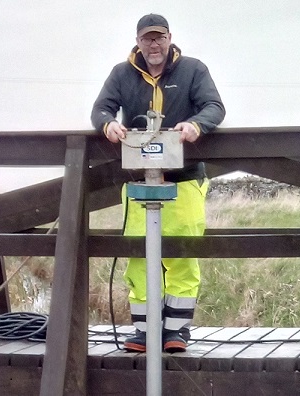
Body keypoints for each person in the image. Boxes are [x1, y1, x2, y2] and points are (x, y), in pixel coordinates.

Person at [91, 13, 225, 353]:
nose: (154, 44)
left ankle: (176, 331)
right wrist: (107, 125)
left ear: (169, 39)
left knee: (181, 253)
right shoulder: (122, 73)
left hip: (184, 180)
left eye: (159, 37)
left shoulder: (193, 69)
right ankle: (144, 331)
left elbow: (214, 106)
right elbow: (101, 109)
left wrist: (197, 124)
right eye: (147, 38)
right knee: (138, 256)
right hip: (137, 181)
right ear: (138, 41)